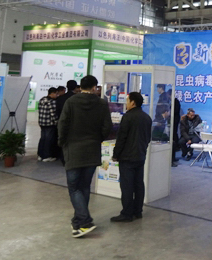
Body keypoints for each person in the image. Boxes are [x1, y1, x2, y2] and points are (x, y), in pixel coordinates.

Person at [58, 75, 112, 238]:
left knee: (74, 188)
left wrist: (62, 142)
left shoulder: (71, 101)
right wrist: (97, 139)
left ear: (80, 86)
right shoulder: (101, 103)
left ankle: (85, 220)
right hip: (92, 150)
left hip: (73, 150)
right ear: (94, 87)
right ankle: (78, 223)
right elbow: (107, 127)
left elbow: (63, 123)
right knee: (84, 187)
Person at [110, 92, 152, 222]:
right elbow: (148, 138)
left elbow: (121, 138)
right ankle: (138, 211)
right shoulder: (147, 117)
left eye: (128, 101)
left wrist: (116, 154)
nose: (126, 103)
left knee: (127, 186)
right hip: (140, 155)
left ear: (133, 102)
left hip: (127, 157)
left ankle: (127, 213)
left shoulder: (127, 117)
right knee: (138, 184)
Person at [37, 87, 58, 162]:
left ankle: (40, 155)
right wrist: (56, 122)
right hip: (49, 123)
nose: (57, 95)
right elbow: (53, 114)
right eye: (56, 94)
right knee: (48, 140)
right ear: (52, 93)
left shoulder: (42, 99)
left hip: (42, 122)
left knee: (43, 139)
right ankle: (47, 156)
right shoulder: (52, 101)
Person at [167, 89, 180, 161]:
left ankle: (176, 146)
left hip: (175, 120)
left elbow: (175, 111)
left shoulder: (176, 102)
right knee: (173, 133)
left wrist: (169, 113)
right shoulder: (171, 102)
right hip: (172, 119)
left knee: (174, 133)